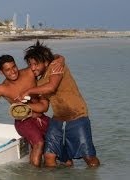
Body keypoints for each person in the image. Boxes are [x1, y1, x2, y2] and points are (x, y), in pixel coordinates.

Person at [0, 54, 63, 167]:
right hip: (23, 122)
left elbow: (46, 60)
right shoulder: (2, 88)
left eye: (14, 67)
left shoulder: (30, 72)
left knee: (60, 136)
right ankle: (35, 175)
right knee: (39, 143)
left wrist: (60, 60)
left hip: (41, 117)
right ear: (1, 72)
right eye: (8, 70)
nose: (13, 71)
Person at [21, 40, 100, 168]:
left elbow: (52, 87)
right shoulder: (40, 83)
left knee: (89, 158)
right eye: (30, 64)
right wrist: (27, 108)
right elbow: (44, 106)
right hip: (58, 120)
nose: (33, 67)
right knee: (49, 156)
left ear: (46, 62)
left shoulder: (56, 67)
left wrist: (28, 91)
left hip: (77, 116)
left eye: (36, 64)